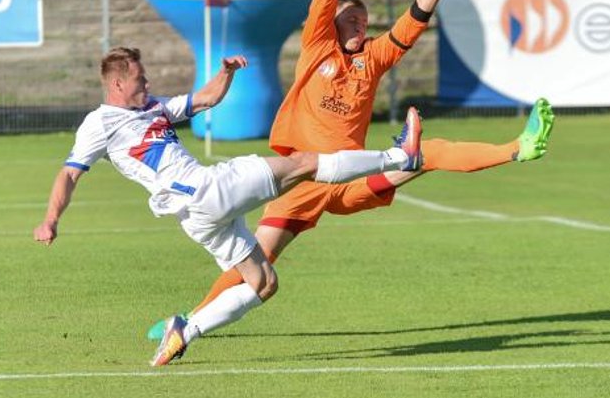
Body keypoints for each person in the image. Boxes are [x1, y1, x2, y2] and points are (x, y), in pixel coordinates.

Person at [146, 0, 556, 342]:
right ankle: (186, 322)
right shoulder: (318, 47)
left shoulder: (372, 60)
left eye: (363, 19)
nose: (360, 24)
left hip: (348, 178)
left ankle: (519, 147)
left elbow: (412, 24)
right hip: (302, 178)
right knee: (257, 261)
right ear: (331, 26)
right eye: (350, 19)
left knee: (428, 153)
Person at [32, 46, 424, 367]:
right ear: (117, 83)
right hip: (205, 193)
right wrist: (50, 219)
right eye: (140, 77)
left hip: (199, 218)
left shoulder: (153, 106)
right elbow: (69, 174)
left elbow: (205, 99)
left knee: (263, 284)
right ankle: (399, 156)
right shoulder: (99, 124)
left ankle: (184, 331)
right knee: (304, 163)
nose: (147, 82)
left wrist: (227, 73)